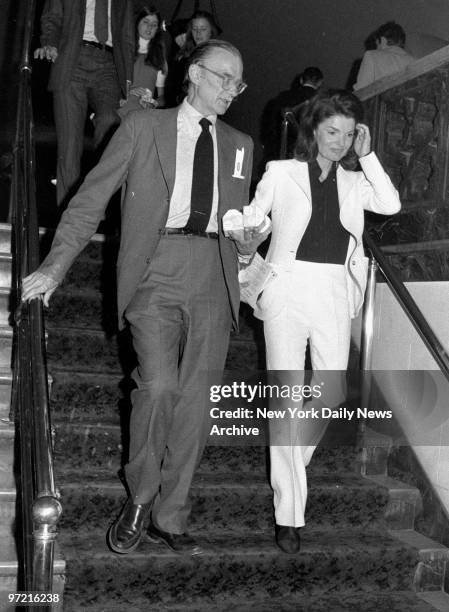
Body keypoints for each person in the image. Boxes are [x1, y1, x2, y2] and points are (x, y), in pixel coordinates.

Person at [22, 40, 267, 556]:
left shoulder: (242, 144)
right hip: (156, 268)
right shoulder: (142, 127)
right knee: (157, 387)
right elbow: (89, 199)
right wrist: (54, 265)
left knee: (196, 407)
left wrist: (248, 244)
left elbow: (236, 219)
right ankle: (142, 496)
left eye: (238, 82)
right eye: (224, 77)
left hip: (215, 278)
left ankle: (170, 518)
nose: (232, 90)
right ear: (194, 74)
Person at [248, 89, 401, 553]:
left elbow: (391, 204)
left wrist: (368, 155)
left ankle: (291, 468)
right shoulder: (281, 172)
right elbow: (254, 219)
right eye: (332, 131)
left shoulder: (356, 182)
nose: (339, 141)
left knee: (330, 390)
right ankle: (289, 514)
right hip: (287, 290)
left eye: (349, 133)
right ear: (313, 129)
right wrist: (247, 241)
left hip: (335, 291)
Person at [34, 0, 134, 206]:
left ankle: (95, 203)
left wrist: (128, 84)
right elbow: (52, 17)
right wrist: (49, 43)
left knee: (110, 122)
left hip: (108, 63)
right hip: (73, 58)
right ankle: (67, 216)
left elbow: (127, 36)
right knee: (69, 147)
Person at [261, 67, 323, 161]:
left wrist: (268, 144)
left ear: (301, 80)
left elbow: (269, 123)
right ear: (320, 83)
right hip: (306, 154)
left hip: (280, 150)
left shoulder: (283, 97)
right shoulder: (322, 102)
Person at [119, 6, 168, 115]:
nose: (150, 27)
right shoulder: (122, 51)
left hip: (143, 115)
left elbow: (162, 98)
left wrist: (154, 103)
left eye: (154, 25)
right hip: (119, 111)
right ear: (137, 23)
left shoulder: (159, 58)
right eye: (146, 22)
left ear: (157, 29)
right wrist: (128, 92)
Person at [167, 10, 221, 106]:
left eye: (203, 29)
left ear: (211, 32)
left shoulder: (218, 58)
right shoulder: (183, 56)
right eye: (195, 29)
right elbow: (172, 88)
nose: (198, 33)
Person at [354, 21, 414, 90]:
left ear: (382, 40)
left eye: (377, 44)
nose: (376, 48)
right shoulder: (413, 60)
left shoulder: (371, 56)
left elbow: (360, 91)